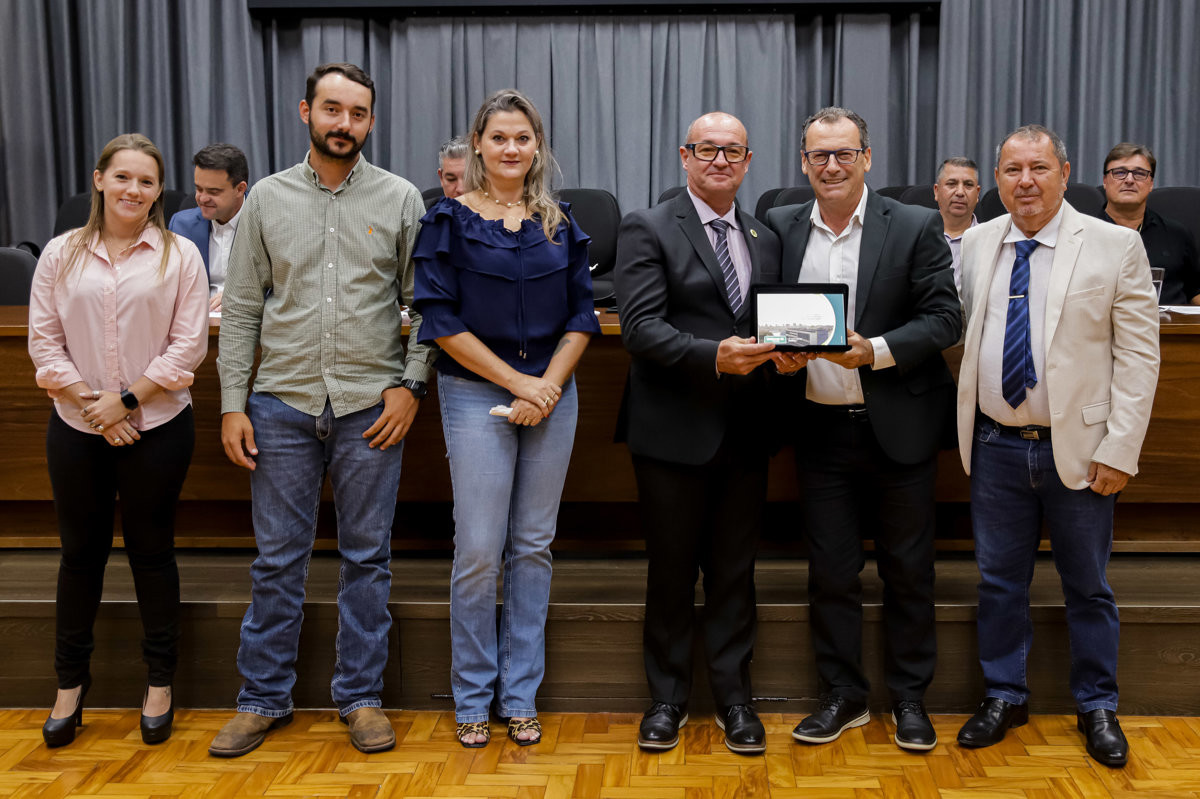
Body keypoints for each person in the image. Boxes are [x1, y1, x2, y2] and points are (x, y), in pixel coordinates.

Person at [209, 62, 436, 757]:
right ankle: (262, 698)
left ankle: (361, 696)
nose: (344, 124)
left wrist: (411, 384)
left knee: (367, 557)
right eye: (332, 109)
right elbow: (243, 308)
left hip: (372, 405)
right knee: (277, 559)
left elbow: (428, 304)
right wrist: (231, 403)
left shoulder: (400, 199)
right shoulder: (268, 200)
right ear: (305, 110)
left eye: (358, 113)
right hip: (279, 405)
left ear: (371, 120)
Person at [955, 125, 1160, 768]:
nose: (1025, 181)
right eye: (1012, 169)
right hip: (996, 445)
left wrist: (1121, 448)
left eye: (1038, 167)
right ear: (998, 179)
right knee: (998, 584)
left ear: (1065, 174)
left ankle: (1097, 704)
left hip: (1081, 447)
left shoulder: (1114, 245)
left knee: (1088, 586)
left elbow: (1138, 358)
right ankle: (1004, 694)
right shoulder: (979, 243)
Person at [764, 107, 961, 752]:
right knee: (831, 573)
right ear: (803, 163)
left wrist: (872, 348)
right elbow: (771, 316)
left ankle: (909, 698)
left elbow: (944, 320)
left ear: (867, 157)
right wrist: (781, 351)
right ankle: (844, 696)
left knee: (909, 571)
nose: (831, 165)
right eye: (819, 155)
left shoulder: (914, 224)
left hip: (898, 425)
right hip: (820, 430)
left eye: (844, 153)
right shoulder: (782, 226)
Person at [413, 89, 599, 749]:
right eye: (499, 138)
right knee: (478, 551)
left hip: (552, 394)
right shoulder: (447, 220)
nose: (512, 148)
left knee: (532, 548)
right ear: (478, 145)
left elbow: (585, 316)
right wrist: (519, 381)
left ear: (537, 146)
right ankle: (472, 696)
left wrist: (545, 386)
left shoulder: (561, 221)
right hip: (475, 395)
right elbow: (438, 321)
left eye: (523, 137)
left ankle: (519, 695)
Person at [28, 133, 209, 747]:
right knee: (80, 557)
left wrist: (127, 400)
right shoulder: (59, 254)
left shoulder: (180, 254)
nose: (135, 190)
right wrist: (94, 405)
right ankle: (67, 689)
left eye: (148, 181)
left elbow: (189, 348)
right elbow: (44, 343)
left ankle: (160, 685)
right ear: (100, 179)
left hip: (157, 426)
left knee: (151, 554)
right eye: (124, 177)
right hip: (77, 427)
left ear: (160, 191)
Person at [615, 111, 787, 756]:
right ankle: (666, 699)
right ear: (685, 157)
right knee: (671, 570)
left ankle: (735, 699)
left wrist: (788, 351)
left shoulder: (763, 236)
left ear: (747, 163)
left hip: (746, 429)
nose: (720, 160)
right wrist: (715, 355)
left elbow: (771, 322)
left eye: (733, 151)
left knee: (735, 573)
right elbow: (640, 329)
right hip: (672, 433)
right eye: (707, 149)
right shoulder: (649, 226)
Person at [1099, 142, 1200, 305]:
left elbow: (1195, 291)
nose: (1129, 180)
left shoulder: (1177, 235)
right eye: (1119, 173)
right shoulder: (1082, 234)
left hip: (1170, 328)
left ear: (1151, 183)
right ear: (1105, 181)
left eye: (1139, 174)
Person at [168, 143, 250, 311]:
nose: (202, 199)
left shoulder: (266, 221)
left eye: (213, 192)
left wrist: (239, 297)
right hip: (199, 325)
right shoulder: (181, 225)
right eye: (199, 189)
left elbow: (279, 287)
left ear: (240, 189)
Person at [933, 157, 982, 292]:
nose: (960, 192)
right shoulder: (917, 237)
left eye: (968, 185)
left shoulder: (991, 241)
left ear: (977, 194)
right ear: (936, 191)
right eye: (952, 184)